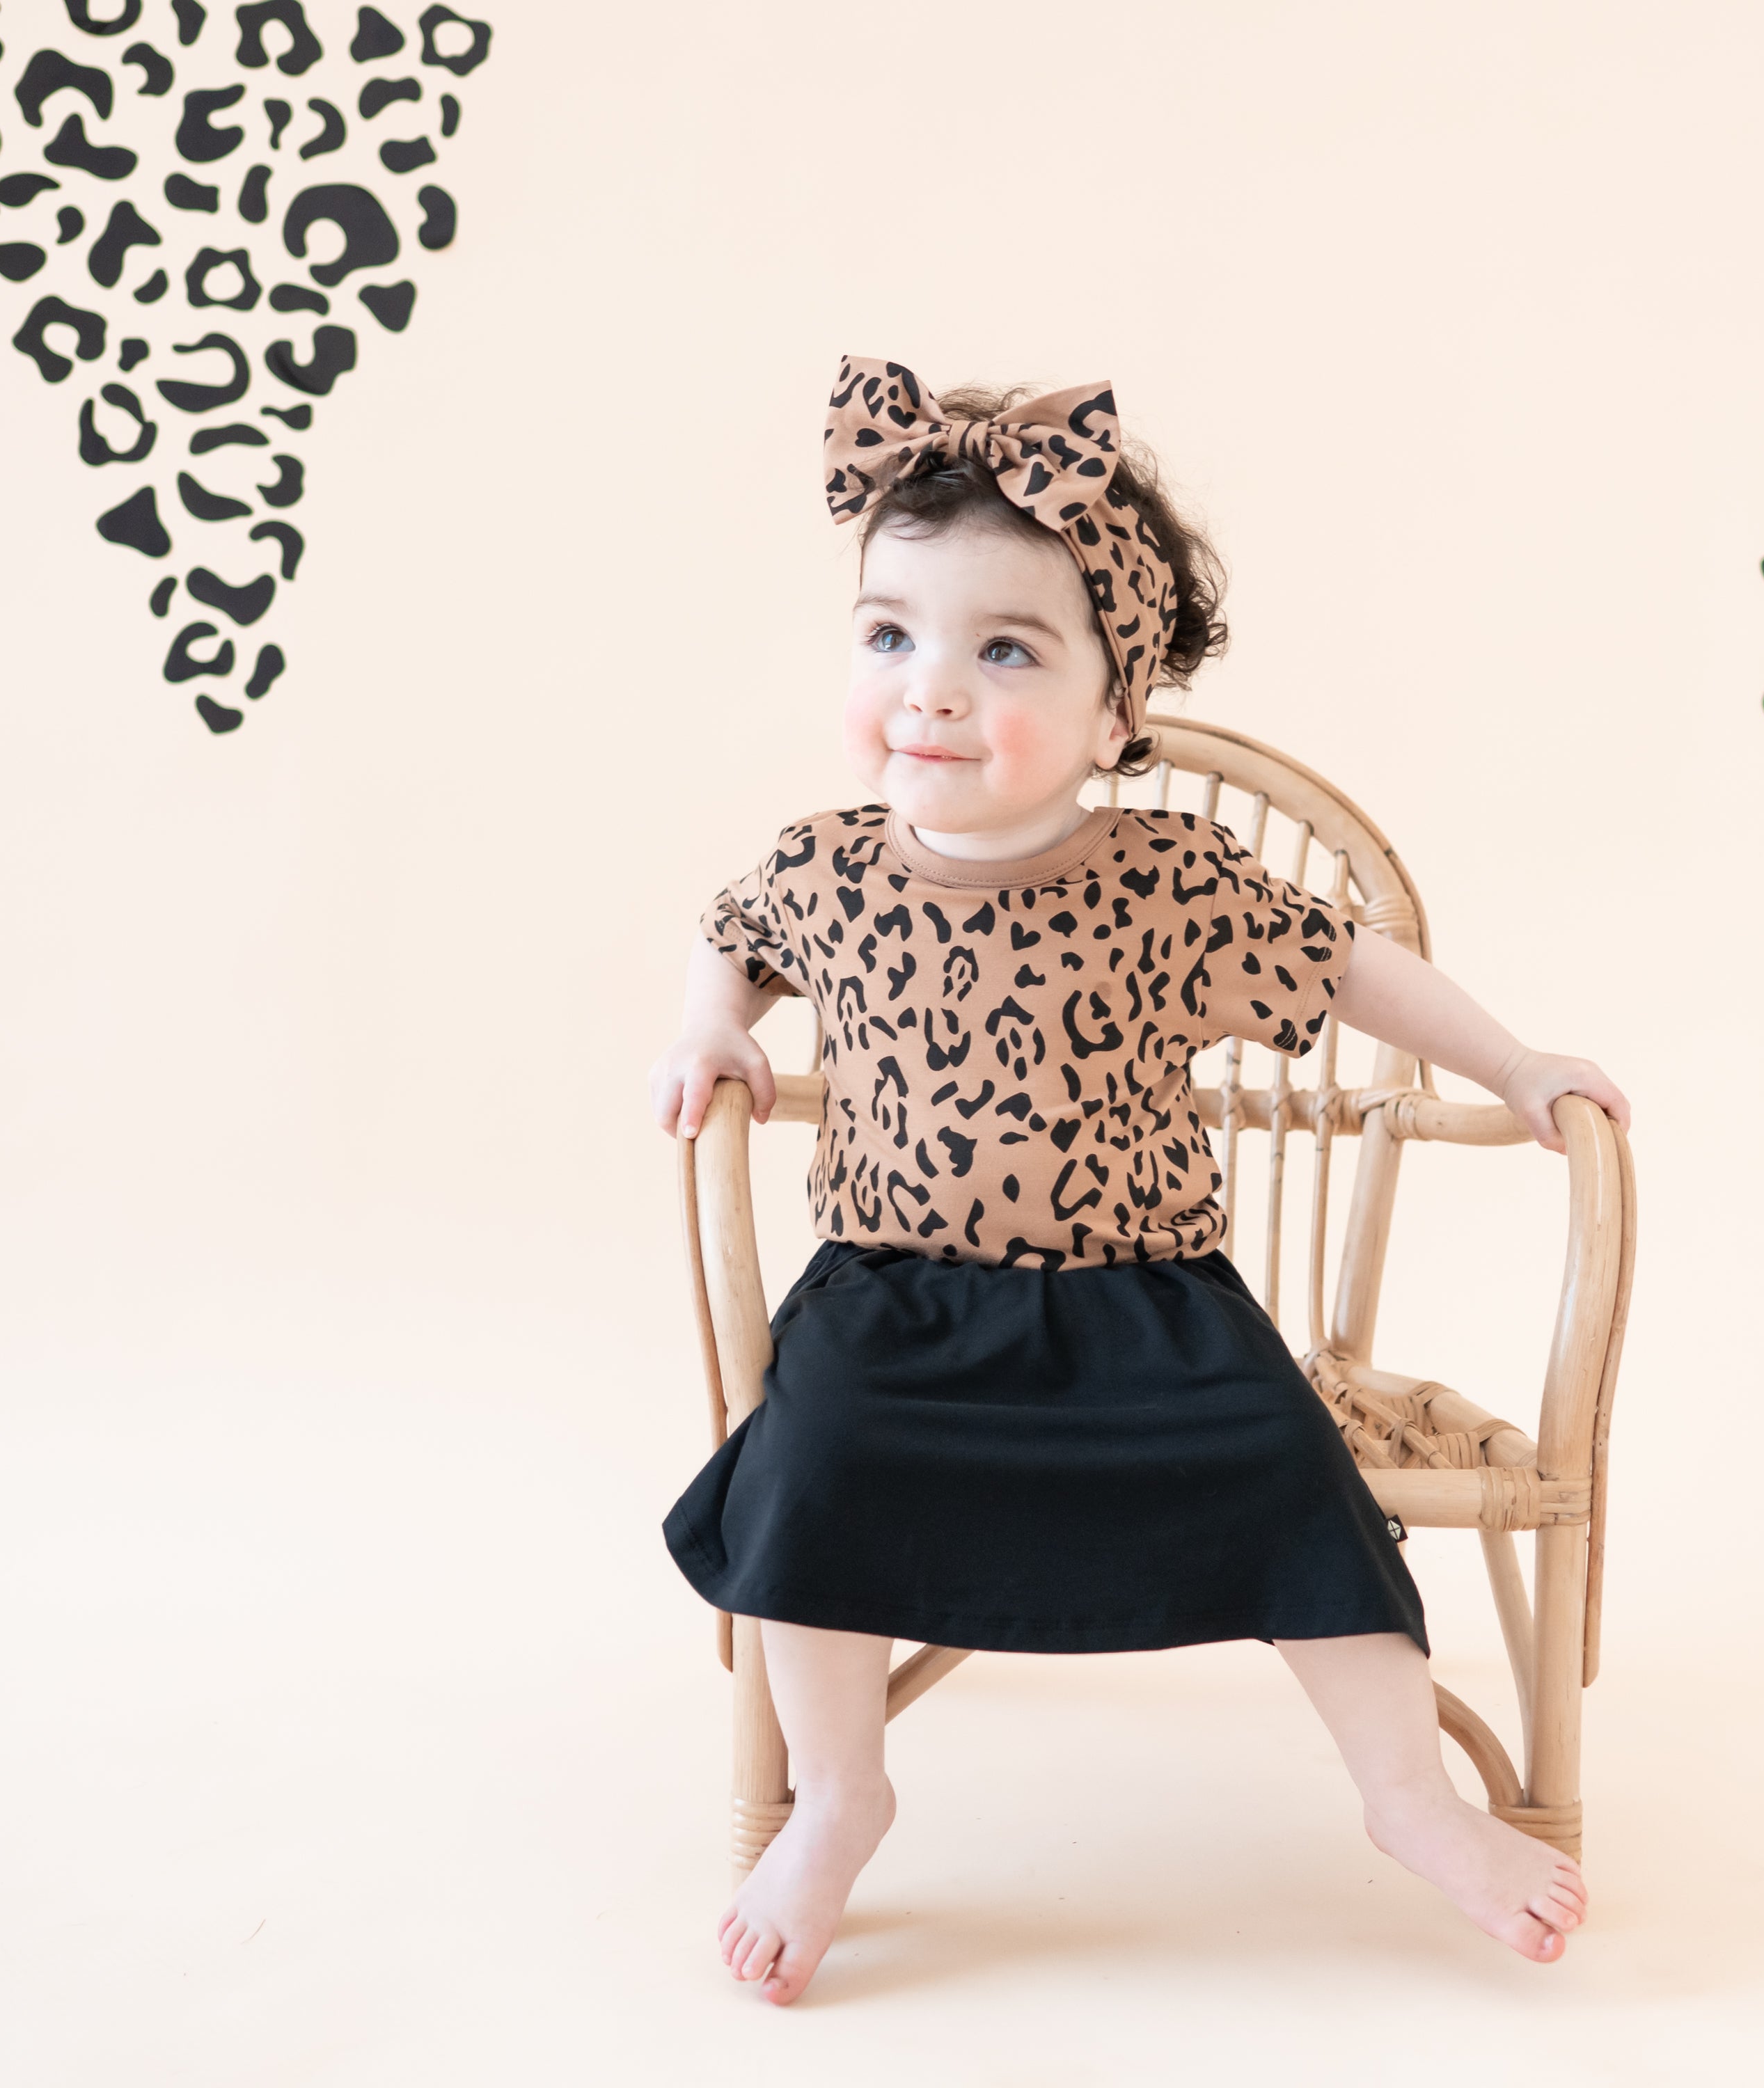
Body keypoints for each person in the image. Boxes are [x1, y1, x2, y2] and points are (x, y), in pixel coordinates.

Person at [648, 355, 1630, 2005]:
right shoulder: (828, 866)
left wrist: (1518, 1064)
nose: (932, 689)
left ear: (1118, 717)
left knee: (1294, 1484)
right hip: (895, 1298)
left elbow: (1356, 969)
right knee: (803, 1470)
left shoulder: (1169, 880)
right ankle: (841, 1793)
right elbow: (732, 942)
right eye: (891, 635)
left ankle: (1409, 1799)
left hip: (1149, 1306)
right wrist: (709, 1032)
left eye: (1003, 650)